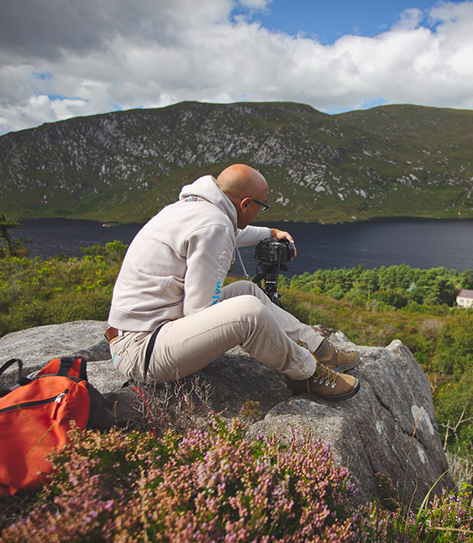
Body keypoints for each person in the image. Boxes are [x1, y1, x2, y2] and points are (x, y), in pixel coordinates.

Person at [106, 164, 361, 401]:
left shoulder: (192, 209)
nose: (259, 211)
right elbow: (198, 312)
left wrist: (270, 232)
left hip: (138, 336)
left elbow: (231, 230)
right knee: (248, 313)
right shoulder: (213, 225)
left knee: (246, 289)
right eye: (261, 206)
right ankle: (307, 373)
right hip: (143, 352)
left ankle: (322, 351)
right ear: (246, 203)